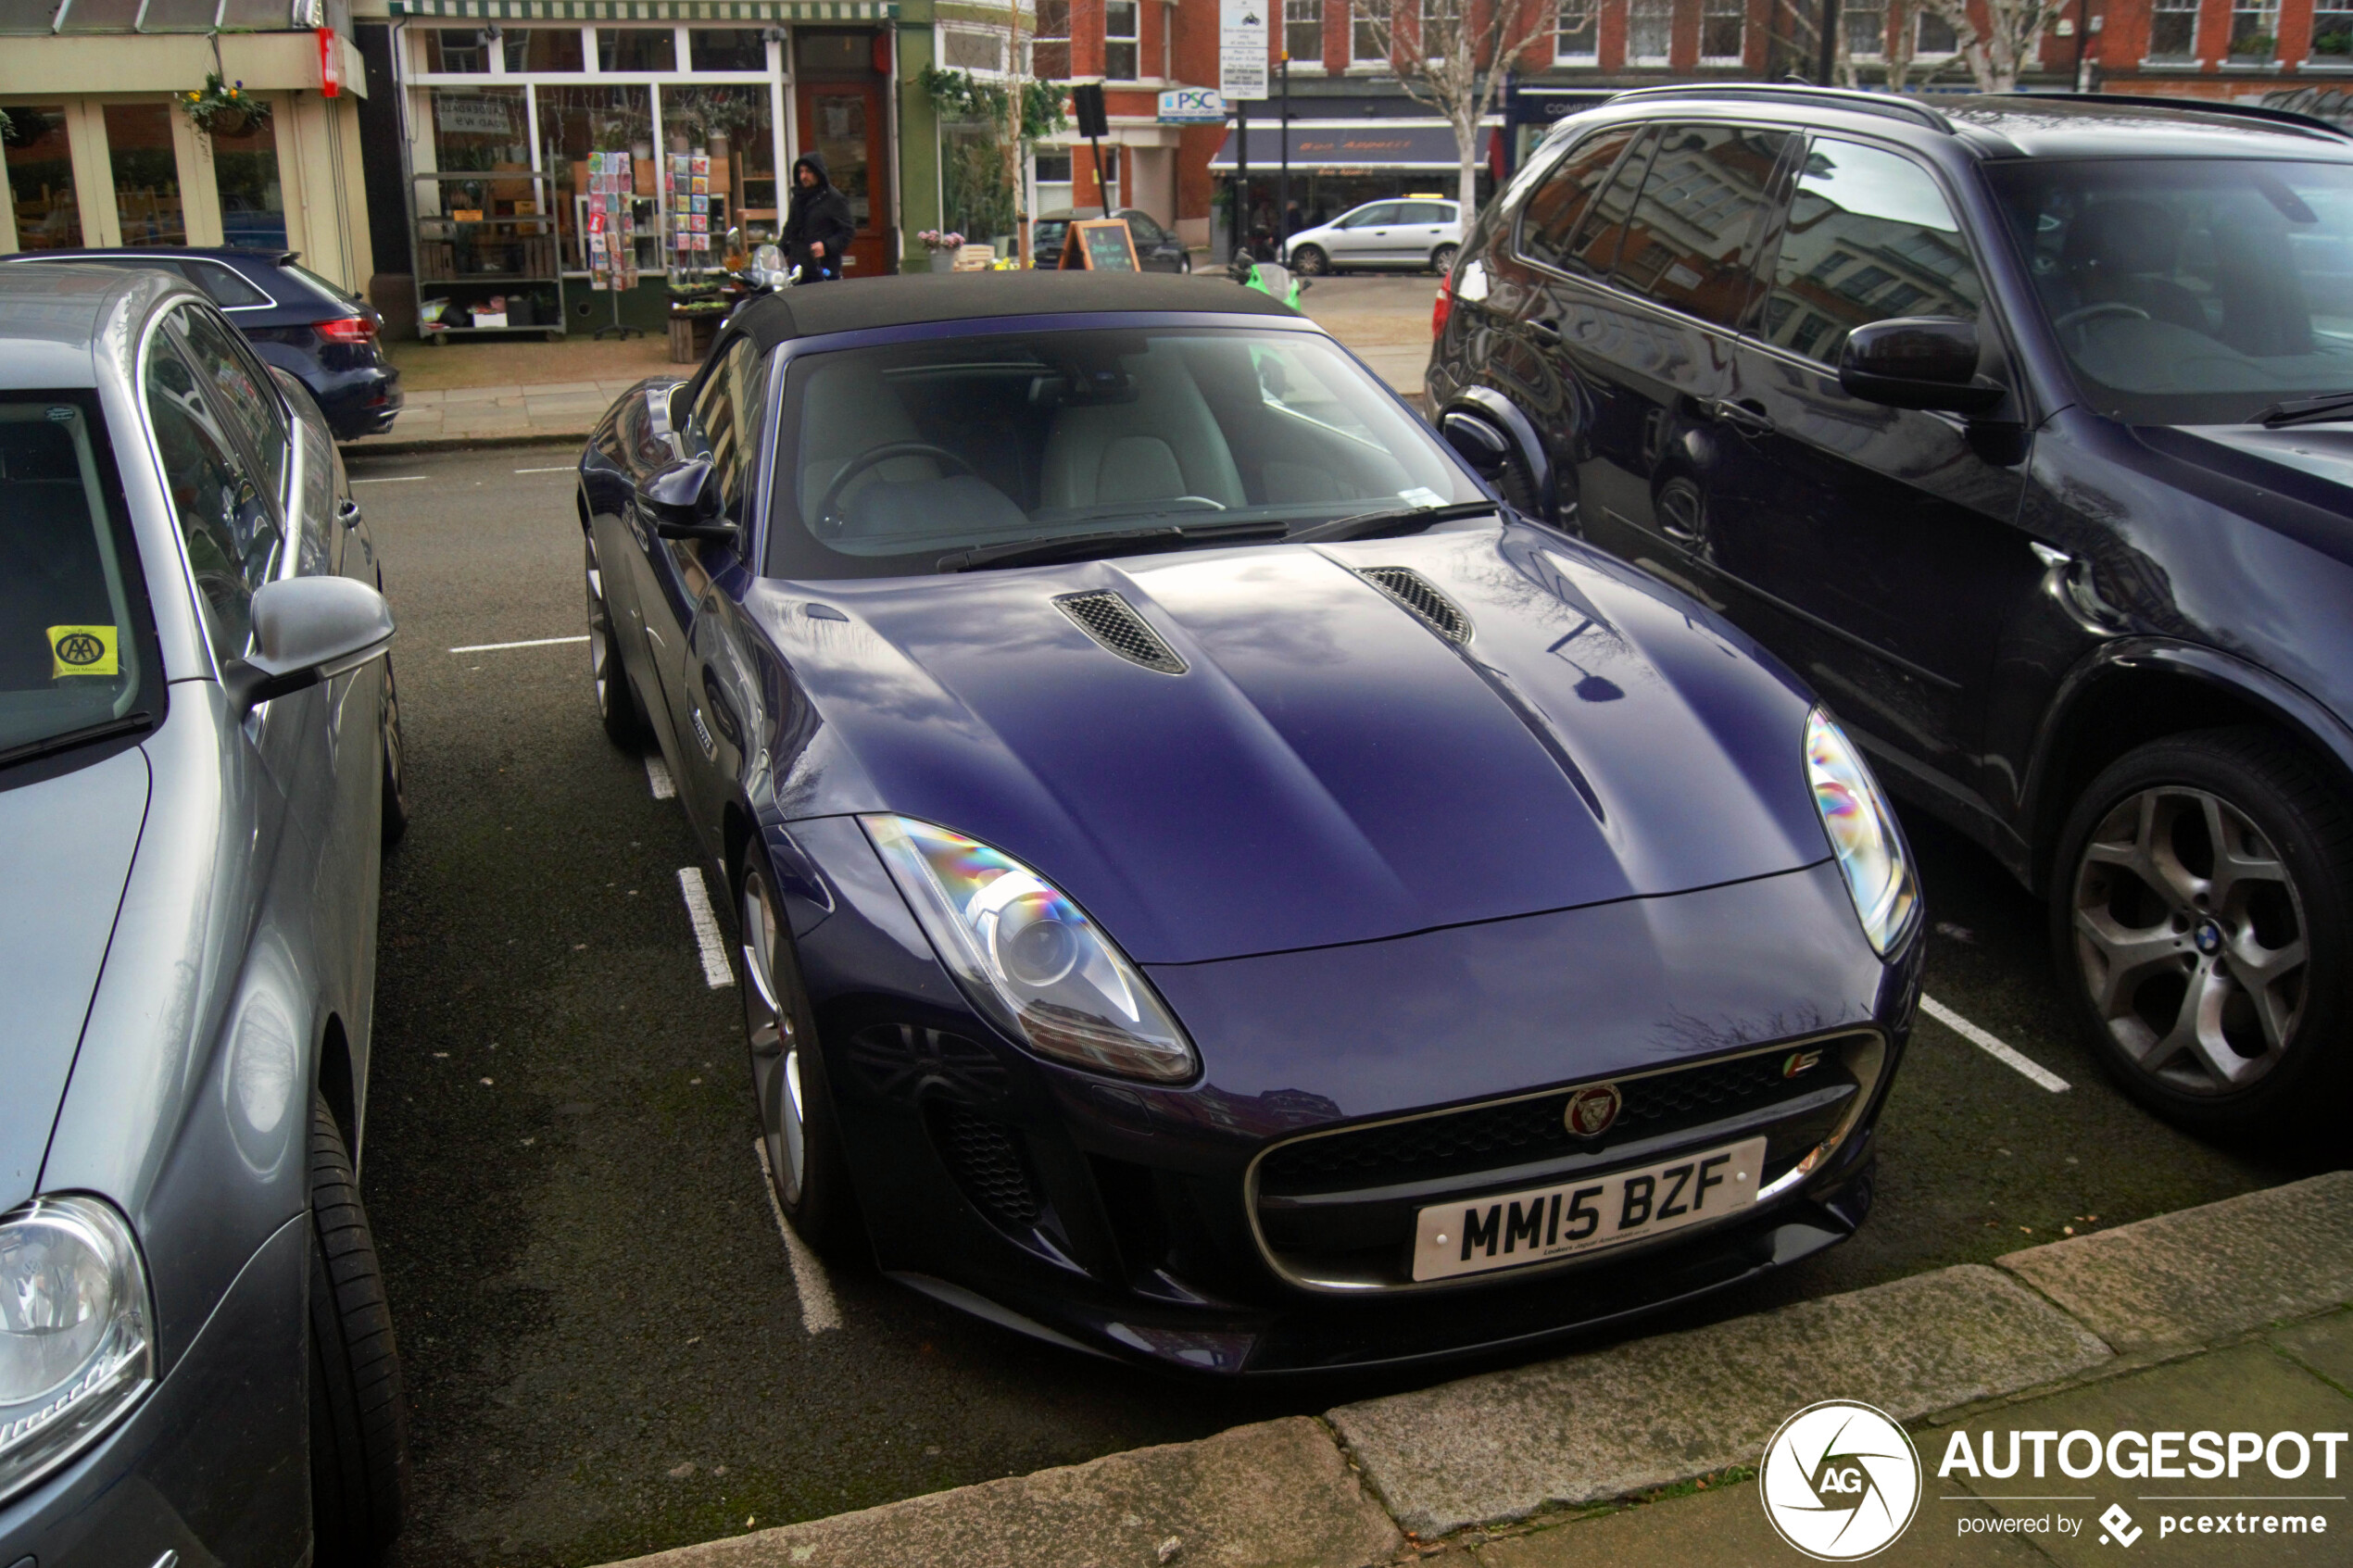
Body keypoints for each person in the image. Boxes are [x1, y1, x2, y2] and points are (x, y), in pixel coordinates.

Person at [782, 153, 855, 282]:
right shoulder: (798, 199)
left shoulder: (834, 199)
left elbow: (847, 232)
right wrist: (779, 253)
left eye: (808, 172)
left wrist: (826, 246)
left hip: (823, 273)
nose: (803, 176)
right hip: (797, 272)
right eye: (801, 172)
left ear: (818, 173)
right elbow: (789, 230)